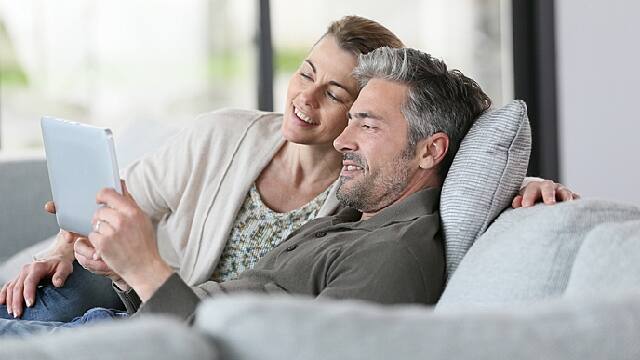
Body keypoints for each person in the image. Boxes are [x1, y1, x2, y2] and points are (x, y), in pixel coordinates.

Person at [0, 16, 575, 322]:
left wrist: (520, 186)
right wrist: (70, 249)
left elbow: (443, 163)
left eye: (345, 103)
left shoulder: (371, 210)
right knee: (45, 292)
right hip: (143, 306)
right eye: (304, 73)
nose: (307, 101)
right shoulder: (352, 199)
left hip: (161, 318)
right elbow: (118, 207)